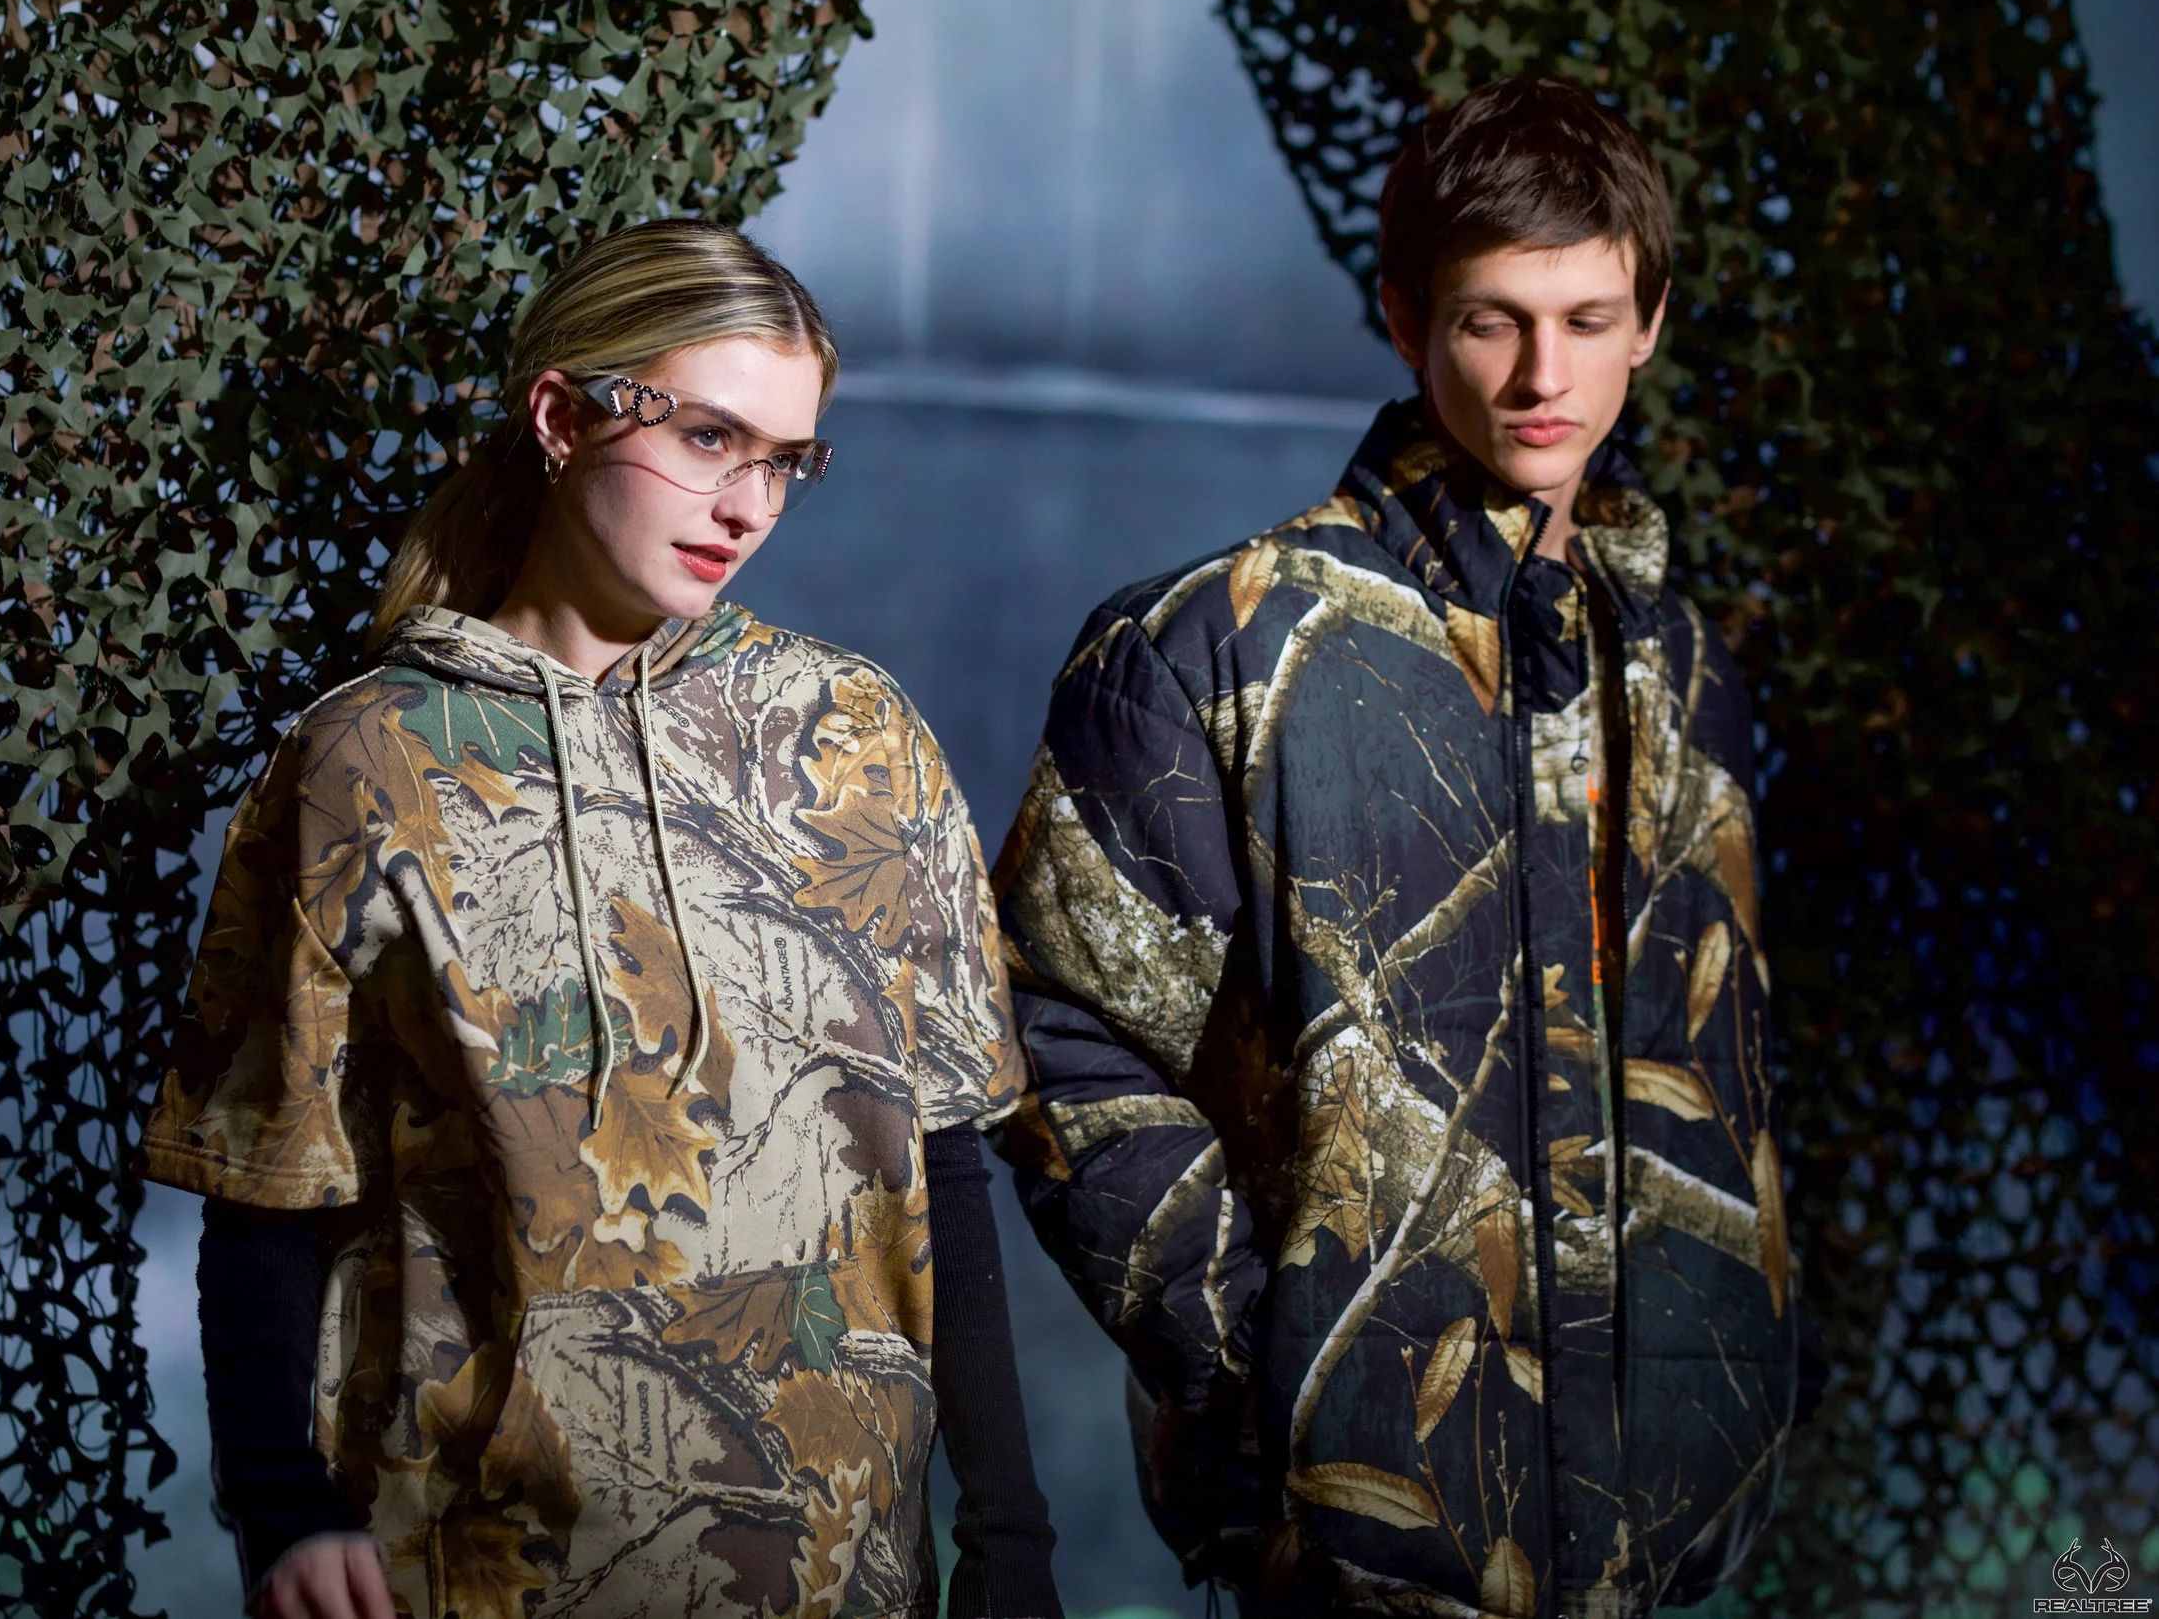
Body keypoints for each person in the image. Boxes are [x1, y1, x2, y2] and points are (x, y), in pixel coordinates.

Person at [140, 218, 1062, 1619]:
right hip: (472, 1568)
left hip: (844, 1574)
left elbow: (937, 1161)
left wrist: (1009, 1538)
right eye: (708, 438)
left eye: (785, 460)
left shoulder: (855, 737)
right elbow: (267, 1182)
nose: (748, 505)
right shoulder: (369, 760)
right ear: (563, 418)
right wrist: (283, 1509)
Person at [989, 78, 1800, 1617]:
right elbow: (1054, 1044)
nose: (1543, 375)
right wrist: (1288, 1376)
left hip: (1664, 1536)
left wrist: (1732, 1384)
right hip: (1351, 1547)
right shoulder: (1206, 648)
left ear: (1649, 321)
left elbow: (1723, 1061)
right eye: (1495, 321)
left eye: (1587, 318)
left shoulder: (1683, 672)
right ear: (1407, 318)